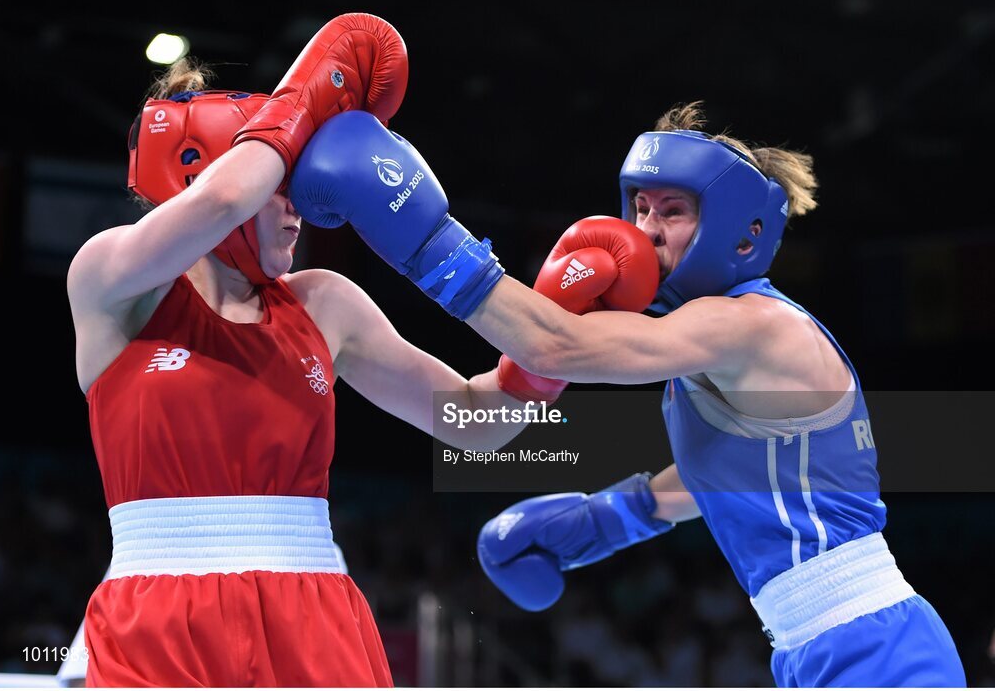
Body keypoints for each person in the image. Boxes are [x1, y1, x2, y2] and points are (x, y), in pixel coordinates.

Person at [286, 102, 968, 686]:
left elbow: (556, 347)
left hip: (872, 644)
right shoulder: (718, 342)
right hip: (813, 643)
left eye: (672, 212)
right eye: (640, 207)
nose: (644, 231)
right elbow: (731, 475)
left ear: (744, 229)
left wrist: (426, 238)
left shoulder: (753, 326)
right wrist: (613, 516)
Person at [67, 13, 635, 687]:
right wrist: (308, 93)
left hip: (312, 609)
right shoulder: (111, 282)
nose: (298, 206)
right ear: (197, 175)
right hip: (155, 614)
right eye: (281, 185)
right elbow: (224, 199)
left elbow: (482, 425)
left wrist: (548, 347)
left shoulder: (322, 304)